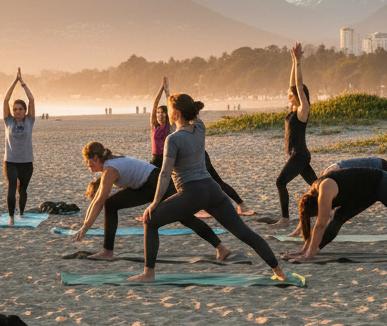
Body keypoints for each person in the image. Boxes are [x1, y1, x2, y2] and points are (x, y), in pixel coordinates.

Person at [126, 93, 287, 283]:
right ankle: (279, 272)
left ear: (176, 113)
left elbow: (165, 174)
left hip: (192, 192)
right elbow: (195, 114)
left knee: (150, 221)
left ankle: (148, 274)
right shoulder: (199, 127)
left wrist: (154, 203)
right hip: (213, 190)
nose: (167, 112)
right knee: (245, 233)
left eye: (169, 109)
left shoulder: (173, 139)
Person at [71, 141, 231, 261]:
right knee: (111, 204)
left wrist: (85, 228)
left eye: (88, 162)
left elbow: (99, 201)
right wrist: (85, 224)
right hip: (144, 186)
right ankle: (107, 251)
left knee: (185, 217)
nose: (88, 166)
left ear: (96, 158)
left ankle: (221, 248)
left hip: (156, 182)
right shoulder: (109, 167)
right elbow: (98, 200)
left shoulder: (110, 170)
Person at [152, 77, 253, 217]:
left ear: (176, 112)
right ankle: (203, 207)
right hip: (184, 157)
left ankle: (241, 204)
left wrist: (167, 92)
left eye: (166, 110)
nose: (162, 114)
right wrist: (166, 91)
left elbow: (165, 174)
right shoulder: (192, 126)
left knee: (214, 180)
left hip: (196, 155)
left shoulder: (174, 132)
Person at [271, 43, 315, 227]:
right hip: (297, 155)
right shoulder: (294, 109)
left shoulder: (303, 110)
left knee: (280, 182)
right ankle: (332, 209)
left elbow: (297, 84)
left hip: (299, 154)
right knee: (316, 185)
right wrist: (292, 60)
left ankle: (285, 219)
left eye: (292, 93)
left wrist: (298, 62)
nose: (288, 92)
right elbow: (292, 84)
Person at [1, 68, 36, 225]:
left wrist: (22, 83)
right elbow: (5, 100)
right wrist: (14, 82)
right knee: (11, 188)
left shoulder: (30, 121)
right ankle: (11, 218)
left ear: (25, 111)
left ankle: (21, 213)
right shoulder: (8, 120)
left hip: (27, 162)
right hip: (11, 161)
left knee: (22, 190)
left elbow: (32, 100)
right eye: (15, 109)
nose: (17, 111)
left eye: (20, 109)